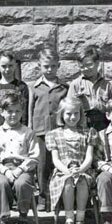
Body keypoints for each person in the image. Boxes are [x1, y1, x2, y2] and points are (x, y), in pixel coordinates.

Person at [0, 91, 39, 224]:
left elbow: (34, 156)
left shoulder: (28, 133)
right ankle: (4, 219)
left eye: (17, 111)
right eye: (9, 111)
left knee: (22, 183)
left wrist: (20, 169)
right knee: (1, 183)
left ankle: (23, 218)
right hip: (2, 169)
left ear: (22, 112)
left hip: (23, 168)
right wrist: (5, 171)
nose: (13, 115)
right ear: (2, 112)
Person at [46, 97, 98, 224]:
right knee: (67, 180)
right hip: (62, 171)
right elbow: (56, 159)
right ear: (61, 114)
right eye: (68, 114)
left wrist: (80, 170)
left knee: (82, 180)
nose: (73, 117)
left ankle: (80, 219)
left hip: (84, 169)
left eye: (76, 113)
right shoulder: (54, 134)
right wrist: (68, 171)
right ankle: (69, 219)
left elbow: (89, 157)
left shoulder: (88, 132)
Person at [28, 48, 69, 211]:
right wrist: (30, 130)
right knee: (42, 166)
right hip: (40, 132)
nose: (50, 69)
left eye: (53, 66)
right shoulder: (34, 87)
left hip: (59, 131)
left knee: (58, 163)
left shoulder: (64, 87)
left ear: (58, 66)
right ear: (39, 66)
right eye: (46, 66)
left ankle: (58, 198)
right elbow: (30, 110)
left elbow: (67, 109)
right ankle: (43, 197)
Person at [67, 45, 112, 131]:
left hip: (104, 123)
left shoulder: (107, 85)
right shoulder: (75, 84)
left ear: (97, 63)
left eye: (89, 65)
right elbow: (69, 107)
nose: (86, 69)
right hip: (83, 124)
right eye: (82, 66)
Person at [0, 52, 30, 135]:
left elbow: (24, 113)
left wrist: (24, 132)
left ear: (15, 66)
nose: (7, 69)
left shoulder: (21, 86)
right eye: (4, 66)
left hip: (17, 131)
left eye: (10, 66)